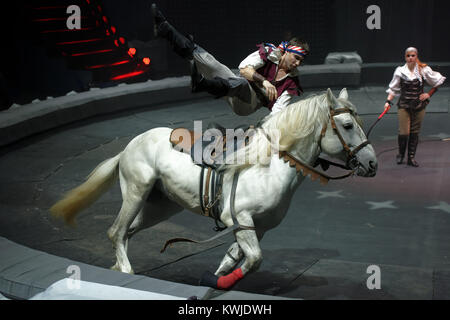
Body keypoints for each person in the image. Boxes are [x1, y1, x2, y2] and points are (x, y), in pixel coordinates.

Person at [151, 4, 309, 117]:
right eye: (296, 58)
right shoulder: (269, 53)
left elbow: (279, 111)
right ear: (287, 52)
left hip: (248, 104)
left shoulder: (291, 83)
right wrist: (265, 82)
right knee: (209, 61)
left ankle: (202, 84)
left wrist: (264, 129)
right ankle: (165, 29)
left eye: (301, 61)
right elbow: (244, 69)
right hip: (233, 86)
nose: (297, 64)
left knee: (241, 83)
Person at [384, 47, 446, 167]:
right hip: (404, 105)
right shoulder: (400, 71)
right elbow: (393, 89)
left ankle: (411, 157)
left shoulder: (423, 70)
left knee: (414, 132)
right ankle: (401, 154)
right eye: (408, 56)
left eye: (413, 55)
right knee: (404, 132)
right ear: (405, 57)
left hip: (419, 105)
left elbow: (437, 82)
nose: (410, 58)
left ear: (416, 56)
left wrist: (428, 94)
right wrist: (388, 101)